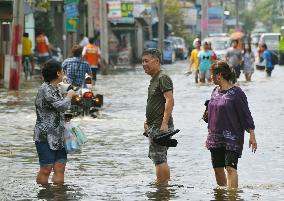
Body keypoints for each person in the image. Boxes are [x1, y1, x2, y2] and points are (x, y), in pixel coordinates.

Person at [206, 60, 257, 189]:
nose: (210, 77)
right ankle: (223, 195)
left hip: (232, 138)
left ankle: (232, 196)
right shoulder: (214, 91)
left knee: (230, 168)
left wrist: (252, 135)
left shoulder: (237, 93)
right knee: (218, 169)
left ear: (219, 75)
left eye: (212, 74)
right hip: (215, 137)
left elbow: (246, 114)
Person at [34, 59, 77, 185]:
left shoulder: (56, 88)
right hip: (44, 136)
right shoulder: (45, 89)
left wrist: (66, 118)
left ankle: (58, 195)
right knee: (46, 168)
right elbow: (60, 105)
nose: (63, 73)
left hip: (59, 134)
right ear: (58, 73)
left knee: (60, 167)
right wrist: (69, 96)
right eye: (62, 71)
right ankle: (44, 194)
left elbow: (57, 110)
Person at [142, 48, 175, 185]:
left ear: (156, 61)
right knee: (160, 158)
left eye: (146, 61)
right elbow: (155, 102)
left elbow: (170, 100)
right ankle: (163, 188)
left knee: (159, 159)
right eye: (142, 61)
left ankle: (162, 189)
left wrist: (164, 123)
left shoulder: (163, 77)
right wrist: (147, 120)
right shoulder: (154, 79)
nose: (144, 64)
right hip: (154, 125)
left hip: (160, 126)